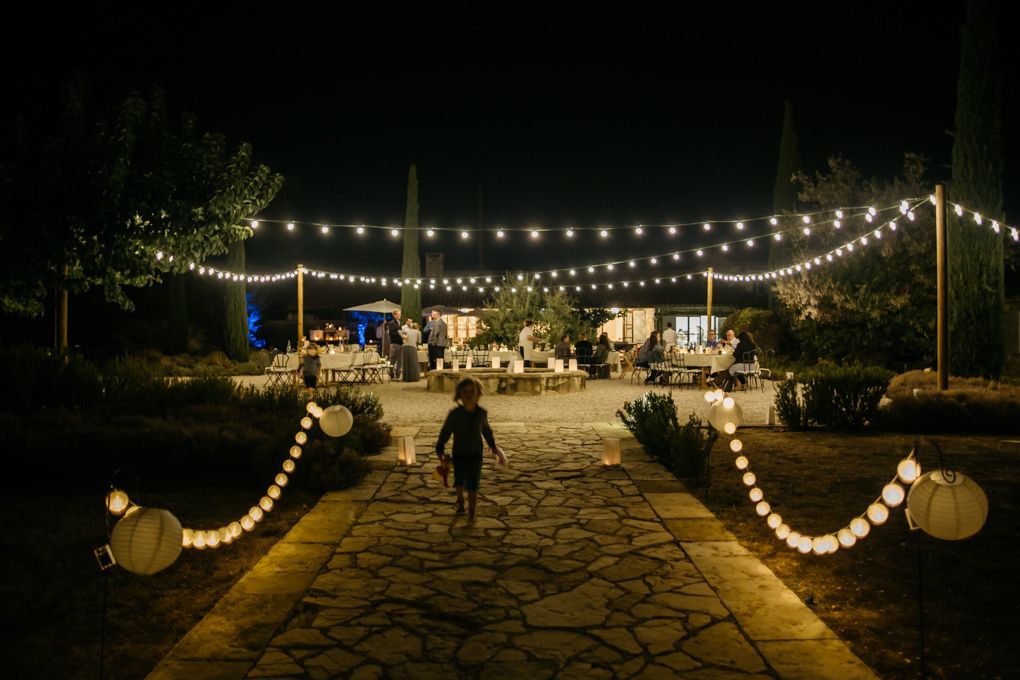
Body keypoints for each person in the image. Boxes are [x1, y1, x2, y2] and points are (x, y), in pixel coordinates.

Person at [436, 377, 499, 523]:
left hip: (476, 453)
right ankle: (460, 499)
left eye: (472, 392)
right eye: (465, 392)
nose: (469, 395)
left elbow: (486, 430)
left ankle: (472, 509)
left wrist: (492, 445)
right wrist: (440, 447)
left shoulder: (481, 413)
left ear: (478, 394)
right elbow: (446, 431)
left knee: (473, 482)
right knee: (459, 479)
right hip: (459, 453)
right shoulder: (455, 415)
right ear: (459, 395)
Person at [387, 309, 405, 381]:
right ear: (394, 315)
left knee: (400, 360)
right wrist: (399, 333)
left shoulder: (398, 323)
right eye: (399, 314)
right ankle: (391, 375)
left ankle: (398, 376)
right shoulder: (392, 323)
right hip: (395, 344)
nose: (400, 315)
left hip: (400, 344)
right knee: (393, 360)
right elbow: (391, 334)